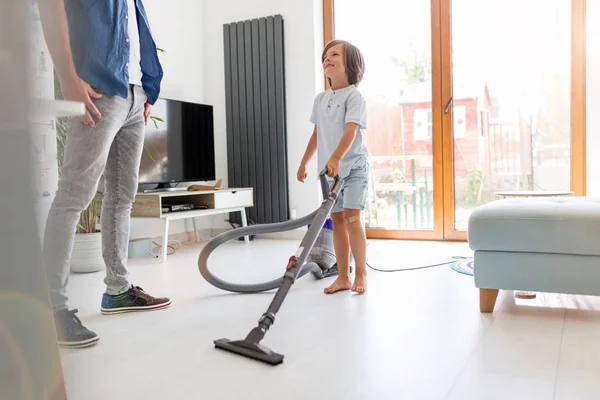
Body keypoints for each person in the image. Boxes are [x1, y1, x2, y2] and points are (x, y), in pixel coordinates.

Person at [37, 0, 171, 348]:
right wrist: (67, 77)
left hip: (134, 96)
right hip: (97, 90)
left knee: (122, 198)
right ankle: (51, 309)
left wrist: (146, 90)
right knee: (73, 197)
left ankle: (118, 290)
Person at [297, 40, 370, 295]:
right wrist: (304, 162)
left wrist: (337, 157)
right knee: (337, 221)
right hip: (331, 172)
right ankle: (343, 276)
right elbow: (316, 135)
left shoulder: (354, 96)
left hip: (354, 167)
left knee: (352, 219)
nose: (327, 58)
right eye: (325, 55)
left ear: (350, 64)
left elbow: (350, 132)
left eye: (335, 54)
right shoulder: (321, 99)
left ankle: (361, 273)